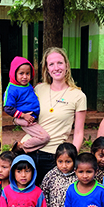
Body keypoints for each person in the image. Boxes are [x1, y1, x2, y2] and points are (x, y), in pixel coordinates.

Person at [23, 47, 87, 185]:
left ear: (66, 65)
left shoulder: (78, 96)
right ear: (46, 68)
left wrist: (71, 158)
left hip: (54, 157)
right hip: (29, 152)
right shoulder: (38, 89)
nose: (56, 68)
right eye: (51, 64)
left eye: (59, 63)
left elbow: (79, 132)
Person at [3, 56, 50, 154]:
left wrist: (35, 87)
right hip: (25, 119)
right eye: (21, 73)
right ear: (14, 73)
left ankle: (24, 149)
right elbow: (8, 108)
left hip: (31, 117)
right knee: (44, 138)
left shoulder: (26, 85)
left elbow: (26, 94)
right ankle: (21, 147)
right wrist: (24, 116)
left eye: (27, 73)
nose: (25, 77)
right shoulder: (12, 89)